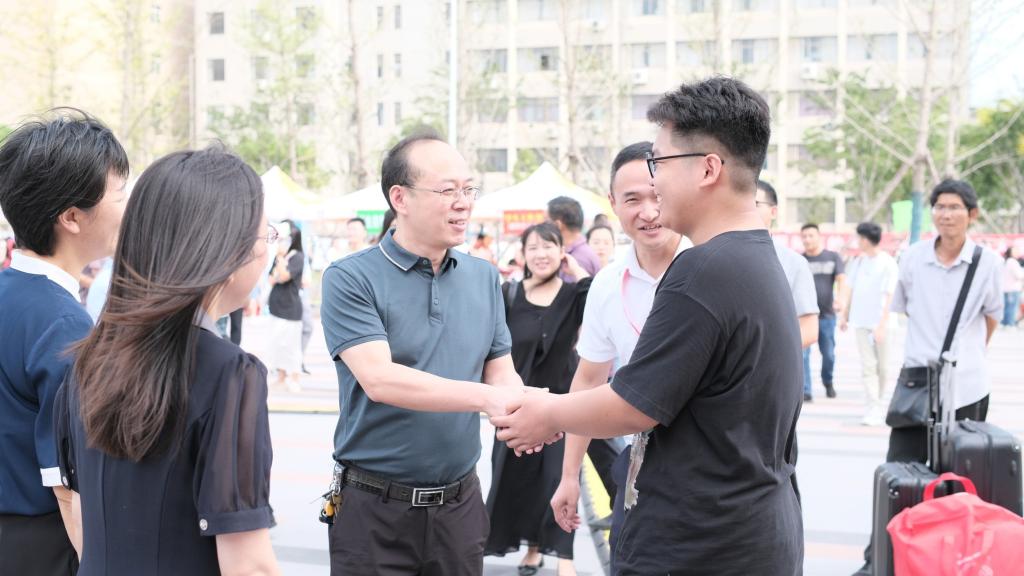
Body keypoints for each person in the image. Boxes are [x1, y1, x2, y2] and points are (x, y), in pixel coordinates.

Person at [494, 77, 804, 575]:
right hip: (749, 530)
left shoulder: (703, 270)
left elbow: (632, 405)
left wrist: (546, 412)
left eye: (660, 163)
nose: (655, 185)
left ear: (708, 168)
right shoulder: (756, 256)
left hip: (700, 542)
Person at [319, 130, 552, 576]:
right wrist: (488, 399)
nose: (463, 203)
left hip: (459, 510)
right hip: (373, 511)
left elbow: (500, 370)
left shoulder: (484, 277)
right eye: (447, 191)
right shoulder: (351, 278)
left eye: (468, 190)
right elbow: (380, 380)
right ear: (400, 198)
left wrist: (524, 409)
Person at [55, 147, 279, 576]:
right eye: (265, 236)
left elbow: (80, 515)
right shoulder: (230, 372)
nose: (267, 251)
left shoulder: (87, 359)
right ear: (225, 252)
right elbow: (249, 564)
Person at [548, 141, 690, 572]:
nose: (648, 212)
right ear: (612, 203)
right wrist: (569, 475)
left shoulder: (709, 266)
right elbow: (588, 379)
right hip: (640, 471)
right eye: (632, 199)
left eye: (657, 196)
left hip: (712, 474)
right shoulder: (608, 284)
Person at [0, 110, 128, 576]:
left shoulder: (12, 294)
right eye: (120, 194)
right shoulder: (62, 324)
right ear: (72, 217)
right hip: (43, 546)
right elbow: (69, 488)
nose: (127, 207)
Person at [854, 179, 1003, 576]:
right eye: (940, 206)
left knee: (960, 481)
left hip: (968, 387)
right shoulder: (913, 258)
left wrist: (967, 356)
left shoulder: (987, 263)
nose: (945, 214)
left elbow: (991, 318)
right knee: (898, 473)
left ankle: (952, 560)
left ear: (972, 214)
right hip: (917, 385)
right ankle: (879, 561)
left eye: (955, 207)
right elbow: (904, 307)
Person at [485, 222, 591, 576]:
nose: (541, 254)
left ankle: (565, 558)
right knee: (519, 481)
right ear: (523, 254)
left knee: (558, 479)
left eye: (549, 246)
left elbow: (598, 298)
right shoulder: (509, 294)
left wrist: (577, 270)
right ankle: (532, 549)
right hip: (516, 408)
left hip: (562, 407)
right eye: (533, 247)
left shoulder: (574, 294)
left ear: (562, 252)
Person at [840, 222, 898, 426]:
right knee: (868, 366)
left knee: (883, 368)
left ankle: (878, 403)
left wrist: (881, 325)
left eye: (859, 238)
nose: (857, 242)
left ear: (866, 239)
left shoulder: (888, 263)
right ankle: (873, 406)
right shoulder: (858, 262)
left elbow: (890, 296)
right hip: (861, 322)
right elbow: (850, 289)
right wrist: (845, 315)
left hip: (883, 324)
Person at [755, 180, 820, 353]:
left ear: (773, 211)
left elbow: (809, 329)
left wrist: (764, 356)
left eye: (755, 204)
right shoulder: (716, 258)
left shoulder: (793, 263)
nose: (747, 210)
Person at [801, 222, 847, 399]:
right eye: (804, 236)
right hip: (805, 315)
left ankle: (828, 381)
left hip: (827, 315)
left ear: (819, 236)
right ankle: (806, 390)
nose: (807, 239)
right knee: (803, 355)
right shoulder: (800, 260)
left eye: (810, 235)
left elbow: (842, 280)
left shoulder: (832, 257)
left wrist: (840, 299)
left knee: (828, 354)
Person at [267, 219, 304, 393]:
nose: (281, 242)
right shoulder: (279, 257)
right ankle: (281, 377)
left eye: (284, 239)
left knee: (291, 346)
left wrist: (281, 258)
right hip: (276, 307)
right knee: (277, 344)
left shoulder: (297, 256)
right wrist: (279, 260)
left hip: (291, 309)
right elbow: (271, 279)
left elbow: (283, 277)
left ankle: (295, 378)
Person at [547, 196, 601, 279]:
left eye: (546, 221)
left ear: (557, 225)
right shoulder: (576, 252)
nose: (544, 227)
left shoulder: (577, 260)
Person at [1002, 245, 1023, 327]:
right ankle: (1009, 324)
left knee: (1008, 307)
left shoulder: (1007, 261)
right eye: (1015, 251)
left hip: (1007, 288)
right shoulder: (1013, 262)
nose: (1017, 253)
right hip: (1012, 288)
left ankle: (1006, 324)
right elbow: (1019, 275)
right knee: (1011, 308)